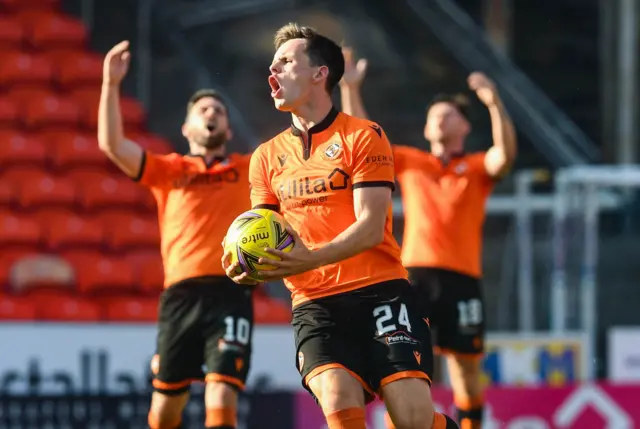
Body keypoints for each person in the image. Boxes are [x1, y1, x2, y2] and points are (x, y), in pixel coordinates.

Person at [222, 24, 458, 429]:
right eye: (271, 64)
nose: (272, 72)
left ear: (320, 73)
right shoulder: (264, 157)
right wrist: (245, 264)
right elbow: (263, 230)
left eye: (286, 62)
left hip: (381, 292)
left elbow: (369, 228)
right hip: (315, 305)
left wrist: (307, 258)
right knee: (337, 398)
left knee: (412, 418)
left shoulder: (364, 136)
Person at [339, 47, 517, 429]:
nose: (440, 119)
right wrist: (350, 89)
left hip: (462, 279)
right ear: (425, 129)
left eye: (449, 114)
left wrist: (494, 102)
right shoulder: (412, 160)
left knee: (467, 370)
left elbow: (505, 156)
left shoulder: (476, 166)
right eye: (434, 115)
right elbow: (366, 141)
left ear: (464, 127)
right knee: (408, 367)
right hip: (414, 277)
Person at [99, 40, 254, 429]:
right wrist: (110, 84)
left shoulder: (248, 168)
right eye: (203, 110)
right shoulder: (168, 170)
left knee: (222, 394)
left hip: (231, 292)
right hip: (180, 297)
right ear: (187, 128)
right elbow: (113, 145)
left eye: (218, 110)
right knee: (166, 407)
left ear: (228, 129)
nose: (211, 113)